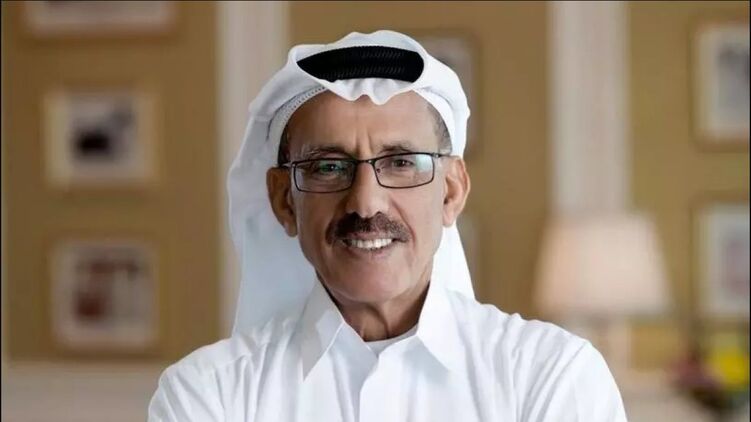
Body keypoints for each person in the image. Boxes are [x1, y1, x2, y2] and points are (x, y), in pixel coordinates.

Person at [148, 30, 627, 422]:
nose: (365, 202)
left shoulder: (549, 376)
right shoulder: (210, 394)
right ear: (284, 201)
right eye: (328, 167)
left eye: (400, 162)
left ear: (451, 191)